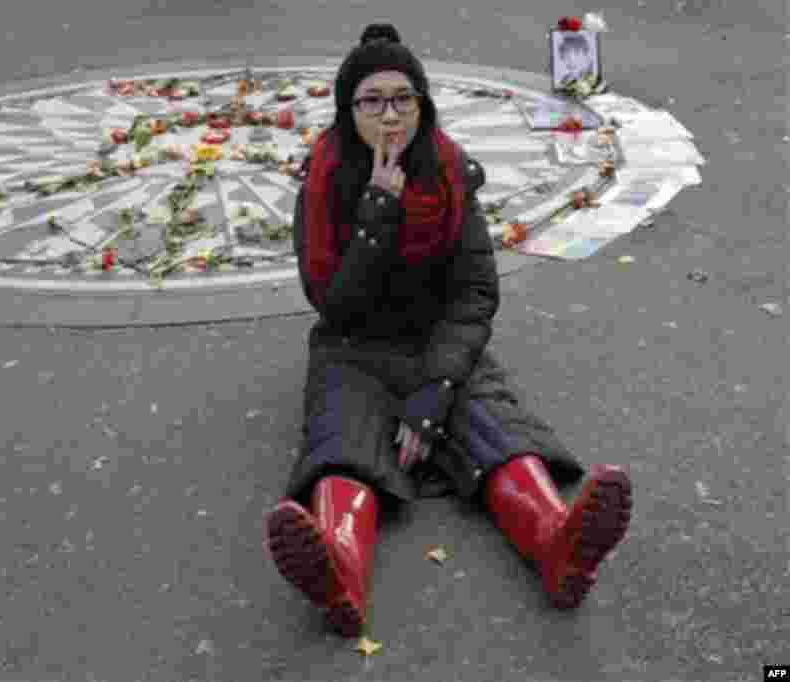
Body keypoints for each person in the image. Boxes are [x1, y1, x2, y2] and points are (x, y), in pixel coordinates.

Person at [264, 22, 632, 638]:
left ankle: (558, 540)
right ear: (347, 111)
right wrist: (378, 210)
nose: (390, 115)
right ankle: (338, 567)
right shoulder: (324, 182)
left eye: (403, 98)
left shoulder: (451, 175)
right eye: (371, 100)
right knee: (342, 443)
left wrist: (435, 390)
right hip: (354, 346)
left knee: (493, 426)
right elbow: (333, 304)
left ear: (423, 105)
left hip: (440, 339)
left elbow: (474, 292)